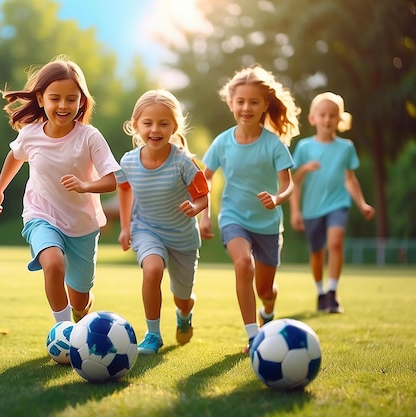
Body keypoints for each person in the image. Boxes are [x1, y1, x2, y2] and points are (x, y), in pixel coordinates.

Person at [0, 56, 120, 324]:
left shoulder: (89, 137)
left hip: (82, 225)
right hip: (41, 215)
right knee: (53, 263)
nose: (63, 105)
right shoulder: (31, 133)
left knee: (80, 298)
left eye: (71, 98)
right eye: (55, 97)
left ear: (81, 100)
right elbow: (15, 156)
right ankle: (63, 330)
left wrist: (85, 185)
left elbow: (111, 180)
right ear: (41, 97)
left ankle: (80, 313)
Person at [199, 65, 300, 354]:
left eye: (253, 102)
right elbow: (204, 179)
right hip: (233, 217)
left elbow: (288, 185)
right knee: (244, 264)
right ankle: (253, 336)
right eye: (240, 101)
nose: (246, 107)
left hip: (267, 224)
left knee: (265, 290)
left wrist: (277, 198)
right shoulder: (222, 142)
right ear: (231, 103)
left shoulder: (274, 144)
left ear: (265, 105)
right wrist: (204, 216)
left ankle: (268, 309)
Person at [116, 89, 209, 354]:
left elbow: (204, 196)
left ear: (174, 127)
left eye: (163, 123)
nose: (155, 129)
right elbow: (124, 190)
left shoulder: (185, 162)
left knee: (183, 298)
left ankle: (184, 313)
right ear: (136, 125)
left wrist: (195, 207)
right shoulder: (129, 161)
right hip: (146, 229)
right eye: (148, 123)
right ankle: (153, 335)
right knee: (152, 269)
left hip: (182, 238)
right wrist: (125, 227)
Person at [289, 92, 375, 314]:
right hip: (311, 208)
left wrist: (362, 204)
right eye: (323, 115)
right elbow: (294, 182)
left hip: (338, 204)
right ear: (313, 118)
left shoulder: (346, 147)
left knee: (335, 243)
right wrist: (295, 211)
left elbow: (350, 178)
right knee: (317, 253)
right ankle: (320, 292)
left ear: (339, 119)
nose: (327, 119)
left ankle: (332, 293)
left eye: (332, 115)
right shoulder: (304, 148)